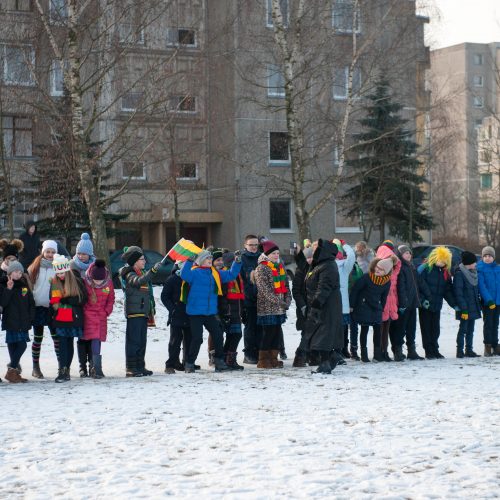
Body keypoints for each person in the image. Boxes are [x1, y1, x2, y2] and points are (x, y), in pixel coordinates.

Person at [180, 248, 242, 373]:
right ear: (201, 260)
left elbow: (231, 275)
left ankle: (219, 361)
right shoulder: (194, 272)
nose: (210, 260)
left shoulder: (215, 273)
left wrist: (237, 262)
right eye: (207, 258)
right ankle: (189, 363)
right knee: (197, 338)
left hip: (210, 312)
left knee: (218, 335)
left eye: (210, 258)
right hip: (195, 312)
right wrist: (189, 260)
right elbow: (184, 274)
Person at [301, 239, 343, 373]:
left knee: (324, 334)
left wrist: (316, 305)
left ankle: (326, 363)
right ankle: (330, 359)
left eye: (316, 250)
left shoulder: (328, 265)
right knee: (322, 334)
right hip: (321, 304)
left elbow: (324, 287)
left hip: (326, 305)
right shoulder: (319, 264)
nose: (313, 252)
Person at [120, 246, 161, 377]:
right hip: (134, 312)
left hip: (143, 312)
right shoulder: (128, 273)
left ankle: (140, 365)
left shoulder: (141, 272)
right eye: (142, 259)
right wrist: (153, 270)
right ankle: (131, 367)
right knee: (134, 341)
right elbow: (138, 282)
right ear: (134, 261)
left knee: (142, 341)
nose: (144, 261)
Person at [50, 254, 88, 383]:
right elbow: (52, 300)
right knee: (62, 344)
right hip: (60, 317)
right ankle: (62, 369)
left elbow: (83, 299)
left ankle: (66, 370)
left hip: (73, 317)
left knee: (69, 343)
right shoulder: (54, 283)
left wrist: (68, 300)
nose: (61, 276)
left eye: (63, 273)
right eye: (58, 273)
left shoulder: (76, 280)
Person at [254, 240, 291, 369]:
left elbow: (286, 285)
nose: (276, 256)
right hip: (267, 308)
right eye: (274, 253)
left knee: (277, 333)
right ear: (266, 254)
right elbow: (264, 290)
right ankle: (263, 360)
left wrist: (288, 299)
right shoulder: (261, 268)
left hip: (279, 308)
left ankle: (273, 358)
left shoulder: (280, 267)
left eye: (278, 253)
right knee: (268, 333)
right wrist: (280, 302)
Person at [349, 257, 395, 362]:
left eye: (381, 269)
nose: (378, 270)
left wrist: (381, 308)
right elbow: (355, 290)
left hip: (376, 308)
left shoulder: (386, 282)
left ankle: (377, 354)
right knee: (364, 330)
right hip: (363, 307)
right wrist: (352, 305)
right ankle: (364, 354)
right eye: (377, 267)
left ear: (386, 272)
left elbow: (384, 296)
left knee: (377, 331)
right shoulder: (366, 278)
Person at [28, 240, 59, 378]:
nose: (50, 254)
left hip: (53, 308)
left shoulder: (58, 267)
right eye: (48, 251)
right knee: (38, 338)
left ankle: (61, 366)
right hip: (38, 307)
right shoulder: (34, 267)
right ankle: (36, 367)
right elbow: (28, 285)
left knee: (56, 338)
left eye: (53, 252)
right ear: (43, 252)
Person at [417, 246, 455, 359]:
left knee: (435, 329)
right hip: (425, 305)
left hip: (437, 305)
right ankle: (428, 350)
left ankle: (435, 349)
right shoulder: (425, 269)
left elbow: (447, 291)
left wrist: (454, 304)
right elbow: (417, 287)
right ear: (434, 258)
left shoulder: (445, 273)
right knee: (426, 328)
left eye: (444, 261)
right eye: (440, 260)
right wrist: (423, 301)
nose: (441, 263)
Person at [0, 261, 35, 383]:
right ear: (9, 272)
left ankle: (12, 372)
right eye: (15, 271)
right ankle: (12, 370)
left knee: (20, 345)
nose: (18, 274)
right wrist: (8, 289)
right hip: (11, 321)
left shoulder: (24, 285)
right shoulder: (4, 284)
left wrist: (31, 317)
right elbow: (3, 303)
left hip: (23, 321)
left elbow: (31, 302)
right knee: (18, 345)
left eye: (20, 272)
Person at [389, 245, 424, 361]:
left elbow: (417, 285)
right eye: (405, 253)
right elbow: (401, 287)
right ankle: (398, 351)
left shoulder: (412, 266)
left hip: (413, 303)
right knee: (400, 328)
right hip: (404, 304)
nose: (408, 255)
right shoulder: (401, 268)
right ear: (400, 255)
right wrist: (403, 303)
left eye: (409, 253)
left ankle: (411, 351)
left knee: (411, 327)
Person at [82, 259, 115, 378]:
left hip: (101, 315)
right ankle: (91, 367)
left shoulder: (108, 283)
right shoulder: (86, 282)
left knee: (97, 339)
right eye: (95, 280)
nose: (98, 282)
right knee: (89, 340)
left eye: (100, 280)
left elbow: (111, 299)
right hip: (88, 315)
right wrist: (85, 311)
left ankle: (96, 367)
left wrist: (107, 311)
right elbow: (82, 297)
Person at [70, 232, 96, 377]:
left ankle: (92, 363)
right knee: (81, 337)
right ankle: (82, 366)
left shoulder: (95, 266)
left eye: (84, 254)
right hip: (79, 305)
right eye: (79, 253)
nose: (81, 256)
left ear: (90, 254)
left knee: (91, 336)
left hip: (92, 306)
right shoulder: (72, 265)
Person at [161, 261, 192, 373]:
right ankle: (171, 363)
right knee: (175, 341)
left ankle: (187, 361)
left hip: (189, 314)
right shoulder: (172, 279)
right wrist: (172, 309)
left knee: (189, 340)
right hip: (176, 314)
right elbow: (164, 297)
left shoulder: (190, 279)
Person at [375, 240, 402, 361]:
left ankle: (384, 351)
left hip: (391, 303)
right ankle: (379, 351)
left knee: (386, 328)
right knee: (380, 329)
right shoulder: (379, 269)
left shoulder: (393, 271)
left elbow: (398, 265)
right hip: (382, 304)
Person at [219, 251, 245, 370]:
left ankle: (228, 359)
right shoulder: (225, 276)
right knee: (234, 335)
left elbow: (240, 294)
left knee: (234, 335)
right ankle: (228, 359)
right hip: (229, 311)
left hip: (237, 310)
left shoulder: (237, 276)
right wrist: (226, 312)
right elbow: (223, 297)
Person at [453, 251, 481, 358]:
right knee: (463, 329)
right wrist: (463, 309)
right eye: (474, 262)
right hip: (464, 308)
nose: (475, 264)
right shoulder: (460, 274)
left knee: (471, 330)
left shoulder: (473, 273)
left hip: (473, 307)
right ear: (469, 263)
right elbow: (458, 293)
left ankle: (469, 350)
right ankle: (459, 351)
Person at [240, 235, 263, 364]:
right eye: (251, 245)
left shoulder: (262, 258)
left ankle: (259, 352)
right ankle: (248, 353)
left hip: (262, 299)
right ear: (245, 246)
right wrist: (248, 295)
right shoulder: (242, 259)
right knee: (250, 327)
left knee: (260, 328)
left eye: (255, 244)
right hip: (248, 299)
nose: (254, 247)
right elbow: (242, 280)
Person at [332, 239, 355, 358]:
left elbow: (351, 255)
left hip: (343, 304)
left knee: (343, 329)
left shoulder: (344, 266)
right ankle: (335, 351)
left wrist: (345, 244)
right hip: (331, 304)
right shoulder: (326, 264)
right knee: (334, 330)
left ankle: (342, 349)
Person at [292, 245, 314, 367]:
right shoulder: (300, 270)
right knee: (306, 332)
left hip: (314, 306)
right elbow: (296, 291)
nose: (310, 259)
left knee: (312, 332)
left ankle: (309, 355)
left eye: (312, 257)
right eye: (308, 257)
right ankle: (300, 355)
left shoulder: (316, 268)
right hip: (304, 307)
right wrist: (303, 306)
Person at [477, 246, 500, 356]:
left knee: (495, 324)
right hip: (488, 303)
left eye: (489, 256)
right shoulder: (480, 268)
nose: (487, 258)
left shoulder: (497, 268)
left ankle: (495, 345)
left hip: (497, 302)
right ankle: (487, 346)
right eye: (485, 256)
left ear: (493, 257)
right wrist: (489, 300)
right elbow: (482, 286)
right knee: (488, 324)